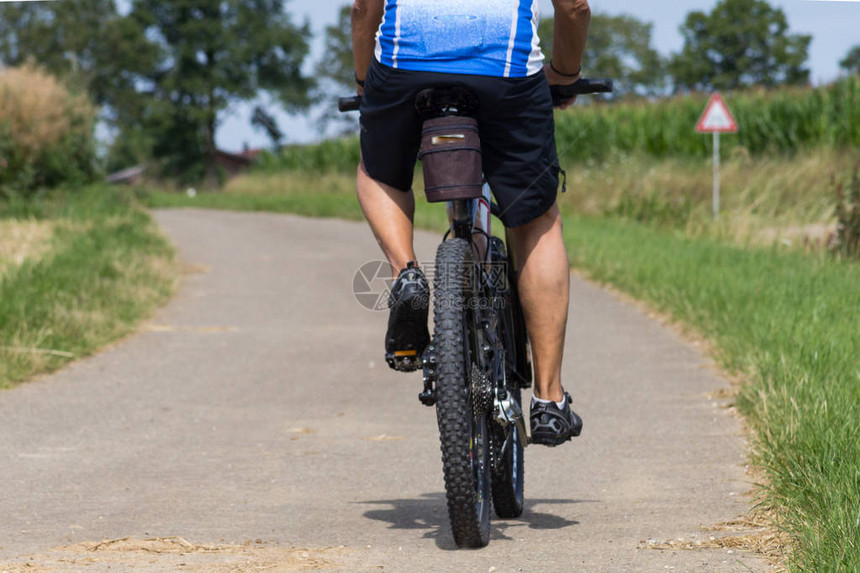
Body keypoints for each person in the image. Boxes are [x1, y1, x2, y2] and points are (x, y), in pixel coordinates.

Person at [351, 0, 590, 447]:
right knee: (535, 217)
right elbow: (574, 7)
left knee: (377, 173)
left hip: (406, 66)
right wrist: (564, 75)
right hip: (506, 71)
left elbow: (365, 6)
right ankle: (548, 400)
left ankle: (406, 275)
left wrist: (368, 85)